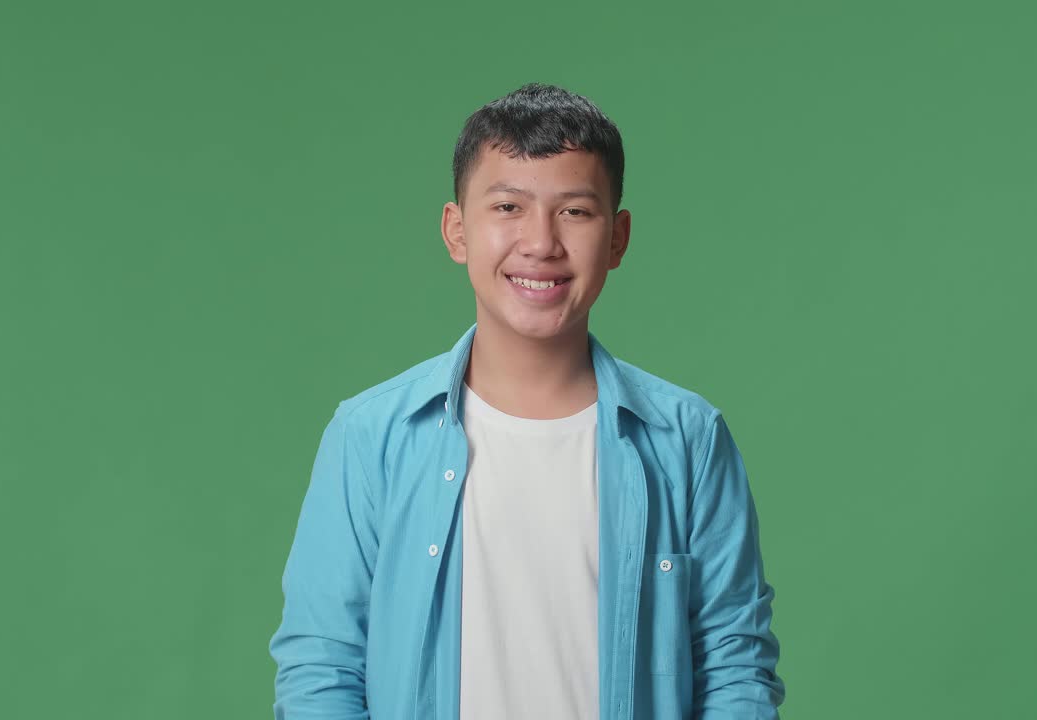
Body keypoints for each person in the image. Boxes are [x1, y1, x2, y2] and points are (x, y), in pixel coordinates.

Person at [268, 82, 785, 719]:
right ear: (456, 231)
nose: (540, 242)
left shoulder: (688, 439)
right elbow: (323, 667)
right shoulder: (371, 436)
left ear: (618, 238)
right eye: (508, 206)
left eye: (575, 211)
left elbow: (735, 666)